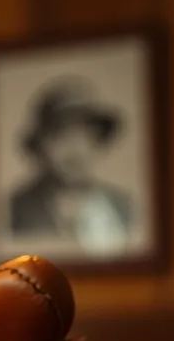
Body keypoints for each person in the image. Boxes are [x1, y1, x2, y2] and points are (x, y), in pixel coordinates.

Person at [7, 76, 132, 253]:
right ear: (42, 145)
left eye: (83, 135)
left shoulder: (120, 205)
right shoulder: (18, 206)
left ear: (96, 140)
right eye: (60, 136)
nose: (74, 150)